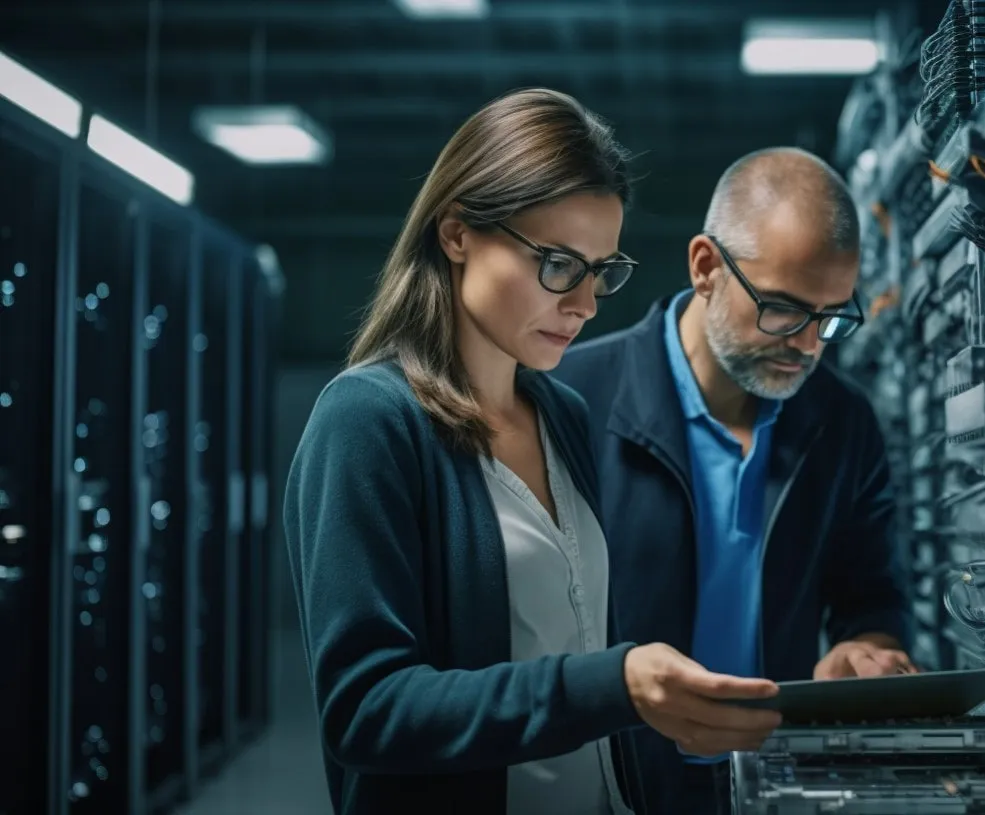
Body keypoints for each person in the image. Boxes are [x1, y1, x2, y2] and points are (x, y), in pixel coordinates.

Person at [283, 89, 784, 815]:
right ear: (457, 234)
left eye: (602, 270)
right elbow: (365, 708)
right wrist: (611, 684)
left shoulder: (561, 413)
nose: (584, 303)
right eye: (558, 264)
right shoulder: (367, 421)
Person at [554, 146, 914, 814]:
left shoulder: (843, 422)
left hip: (773, 784)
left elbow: (872, 593)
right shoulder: (570, 398)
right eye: (782, 309)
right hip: (607, 788)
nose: (806, 345)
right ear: (705, 267)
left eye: (831, 316)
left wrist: (868, 646)